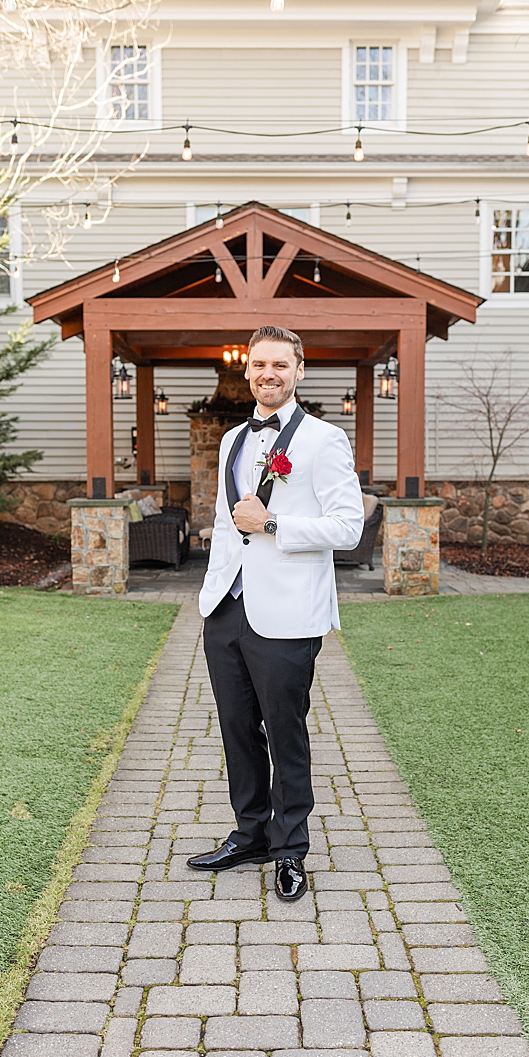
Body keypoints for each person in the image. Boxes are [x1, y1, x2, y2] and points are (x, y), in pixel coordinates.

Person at [187, 325, 363, 901]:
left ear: (299, 371)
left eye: (280, 365)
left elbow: (348, 527)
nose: (269, 374)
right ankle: (251, 834)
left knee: (284, 733)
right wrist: (212, 591)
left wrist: (273, 524)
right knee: (238, 729)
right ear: (248, 371)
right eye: (259, 364)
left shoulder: (324, 440)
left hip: (287, 613)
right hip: (227, 609)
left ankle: (290, 850)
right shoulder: (232, 439)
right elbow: (223, 518)